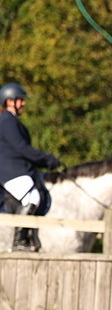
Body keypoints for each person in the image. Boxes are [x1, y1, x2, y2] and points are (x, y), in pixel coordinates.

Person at [0, 82, 60, 251]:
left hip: (18, 170)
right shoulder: (7, 121)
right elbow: (22, 149)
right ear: (9, 101)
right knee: (33, 197)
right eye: (20, 100)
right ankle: (19, 240)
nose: (24, 103)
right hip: (10, 172)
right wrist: (47, 160)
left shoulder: (10, 121)